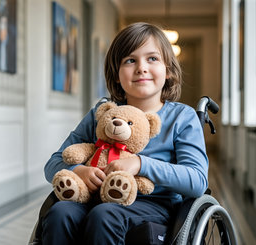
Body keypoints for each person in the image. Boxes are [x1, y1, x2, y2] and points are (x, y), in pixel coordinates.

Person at [42, 22, 208, 245]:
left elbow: (197, 180)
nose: (141, 68)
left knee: (105, 215)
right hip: (95, 199)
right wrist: (78, 170)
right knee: (60, 212)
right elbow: (52, 164)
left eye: (152, 58)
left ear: (168, 69)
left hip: (155, 206)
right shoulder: (100, 115)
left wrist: (141, 164)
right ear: (117, 74)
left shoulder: (182, 118)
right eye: (130, 60)